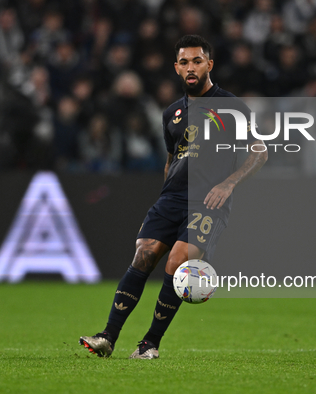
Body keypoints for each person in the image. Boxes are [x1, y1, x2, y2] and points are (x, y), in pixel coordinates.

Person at [79, 35, 268, 359]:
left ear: (209, 64)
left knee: (177, 260)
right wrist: (167, 191)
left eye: (197, 61)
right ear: (176, 68)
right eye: (184, 62)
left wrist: (228, 184)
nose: (190, 67)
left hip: (210, 201)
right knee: (143, 253)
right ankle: (107, 337)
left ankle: (149, 344)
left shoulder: (232, 106)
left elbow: (259, 152)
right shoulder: (172, 113)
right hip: (171, 199)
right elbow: (173, 157)